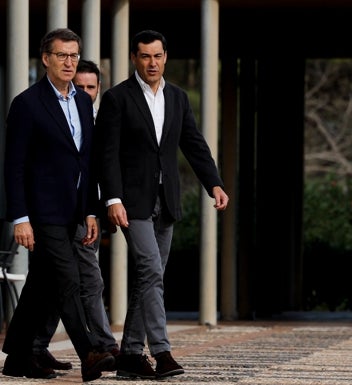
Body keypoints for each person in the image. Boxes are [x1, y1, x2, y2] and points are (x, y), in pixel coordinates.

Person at [94, 29, 228, 379]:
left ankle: (130, 355)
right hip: (131, 203)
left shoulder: (179, 98)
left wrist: (213, 183)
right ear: (134, 59)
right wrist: (113, 198)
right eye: (144, 56)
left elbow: (194, 144)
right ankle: (163, 351)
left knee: (148, 276)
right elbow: (106, 155)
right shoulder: (117, 98)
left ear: (165, 57)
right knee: (151, 270)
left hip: (165, 200)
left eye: (157, 55)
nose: (151, 62)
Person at [2, 28, 116, 382]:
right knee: (67, 280)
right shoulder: (27, 104)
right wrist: (20, 218)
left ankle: (19, 357)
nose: (69, 62)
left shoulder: (83, 102)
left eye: (73, 55)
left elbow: (87, 162)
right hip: (41, 211)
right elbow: (14, 165)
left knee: (42, 284)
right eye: (62, 55)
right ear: (46, 59)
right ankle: (90, 353)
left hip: (74, 210)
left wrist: (91, 210)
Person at [30, 59, 120, 373]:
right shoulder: (42, 107)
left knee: (51, 282)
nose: (84, 91)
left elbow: (99, 168)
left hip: (85, 213)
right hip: (53, 212)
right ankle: (96, 348)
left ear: (98, 89)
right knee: (73, 279)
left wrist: (98, 210)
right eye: (79, 85)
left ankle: (29, 350)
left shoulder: (94, 117)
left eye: (90, 87)